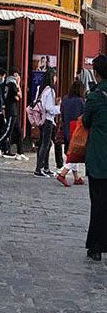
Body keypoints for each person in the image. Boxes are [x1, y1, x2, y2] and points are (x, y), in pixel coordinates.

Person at [82, 54, 107, 261]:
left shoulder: (95, 96)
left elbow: (86, 122)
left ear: (96, 74)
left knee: (98, 203)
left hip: (99, 157)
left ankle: (96, 247)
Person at [56, 79, 86, 187]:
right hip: (77, 129)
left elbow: (62, 113)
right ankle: (63, 173)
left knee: (71, 152)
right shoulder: (81, 101)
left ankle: (76, 177)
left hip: (66, 127)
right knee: (75, 153)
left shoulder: (65, 99)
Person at [34, 69, 61, 178]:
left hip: (41, 119)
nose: (56, 79)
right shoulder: (50, 91)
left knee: (46, 143)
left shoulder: (41, 89)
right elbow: (49, 108)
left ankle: (45, 167)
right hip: (48, 120)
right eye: (55, 76)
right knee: (46, 144)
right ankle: (39, 168)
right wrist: (59, 108)